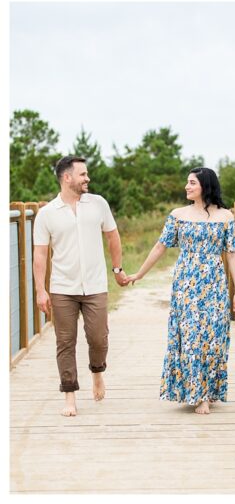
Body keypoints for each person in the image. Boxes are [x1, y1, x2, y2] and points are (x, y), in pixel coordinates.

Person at [127, 167, 235, 414]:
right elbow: (160, 246)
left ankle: (208, 391)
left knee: (212, 337)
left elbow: (232, 255)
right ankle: (196, 393)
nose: (187, 187)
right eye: (187, 182)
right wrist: (139, 273)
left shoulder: (226, 216)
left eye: (192, 183)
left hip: (214, 283)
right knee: (190, 336)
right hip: (186, 283)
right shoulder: (178, 215)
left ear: (205, 185)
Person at [33, 156, 130, 417]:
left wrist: (117, 269)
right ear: (67, 178)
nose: (87, 179)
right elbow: (40, 254)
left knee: (99, 338)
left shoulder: (98, 204)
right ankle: (69, 395)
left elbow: (112, 236)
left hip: (96, 284)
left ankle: (97, 372)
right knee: (65, 341)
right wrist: (41, 290)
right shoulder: (46, 214)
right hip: (62, 287)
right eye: (83, 175)